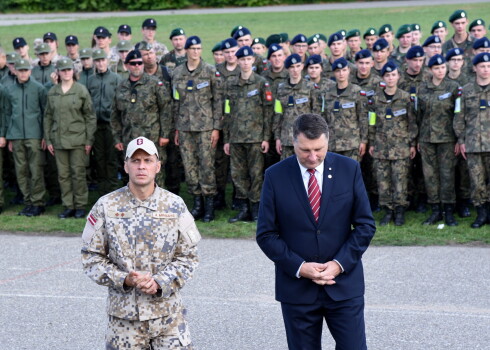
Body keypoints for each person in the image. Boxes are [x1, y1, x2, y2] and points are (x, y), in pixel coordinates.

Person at [256, 113, 375, 350]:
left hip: (343, 285)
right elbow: (266, 234)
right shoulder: (275, 176)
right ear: (294, 143)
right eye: (305, 150)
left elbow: (364, 226)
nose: (312, 157)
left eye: (319, 149)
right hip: (297, 290)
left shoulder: (348, 169)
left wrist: (339, 264)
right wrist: (300, 267)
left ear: (328, 141)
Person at [81, 136, 200, 349]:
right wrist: (124, 278)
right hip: (124, 321)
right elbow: (91, 258)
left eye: (147, 160)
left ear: (158, 166)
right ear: (126, 166)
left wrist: (160, 282)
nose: (141, 166)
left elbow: (188, 257)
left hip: (168, 317)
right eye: (135, 161)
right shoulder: (106, 206)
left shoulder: (175, 205)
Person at [171, 36, 222, 222]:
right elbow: (176, 102)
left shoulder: (209, 71)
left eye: (198, 48)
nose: (195, 51)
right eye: (192, 48)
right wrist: (176, 127)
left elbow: (218, 101)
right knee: (189, 166)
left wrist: (216, 127)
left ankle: (209, 206)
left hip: (205, 127)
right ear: (186, 50)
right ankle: (197, 204)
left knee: (207, 165)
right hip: (185, 128)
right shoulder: (177, 73)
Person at [222, 46, 272, 222]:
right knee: (238, 174)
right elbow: (227, 113)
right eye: (241, 60)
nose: (245, 62)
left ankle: (256, 208)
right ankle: (244, 208)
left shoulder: (260, 82)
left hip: (255, 137)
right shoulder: (231, 84)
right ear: (238, 61)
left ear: (253, 60)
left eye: (248, 59)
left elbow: (268, 112)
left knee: (256, 174)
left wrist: (266, 138)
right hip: (236, 137)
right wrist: (227, 139)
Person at [110, 49, 172, 188]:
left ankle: (156, 207)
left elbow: (166, 110)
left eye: (139, 63)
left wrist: (165, 135)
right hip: (129, 139)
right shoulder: (121, 87)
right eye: (133, 63)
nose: (137, 66)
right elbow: (115, 115)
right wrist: (117, 138)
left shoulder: (155, 84)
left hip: (153, 139)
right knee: (133, 174)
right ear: (126, 65)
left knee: (156, 174)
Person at [43, 58, 97, 219]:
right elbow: (47, 117)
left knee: (78, 173)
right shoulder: (53, 92)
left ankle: (80, 205)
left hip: (78, 140)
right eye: (63, 70)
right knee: (63, 175)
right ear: (58, 72)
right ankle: (68, 205)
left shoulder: (81, 90)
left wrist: (89, 140)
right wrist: (49, 139)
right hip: (59, 140)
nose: (66, 72)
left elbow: (90, 116)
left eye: (68, 69)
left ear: (73, 71)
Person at [369, 61, 418, 226]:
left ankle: (399, 211)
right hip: (381, 147)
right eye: (387, 75)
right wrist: (371, 143)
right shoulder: (375, 99)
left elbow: (412, 123)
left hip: (400, 147)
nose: (390, 78)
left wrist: (412, 143)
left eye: (393, 75)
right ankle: (387, 211)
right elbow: (372, 122)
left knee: (400, 180)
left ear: (398, 76)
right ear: (383, 78)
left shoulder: (405, 98)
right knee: (383, 181)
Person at [417, 54, 460, 226]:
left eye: (442, 67)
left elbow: (458, 114)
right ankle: (435, 210)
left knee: (447, 174)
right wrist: (417, 139)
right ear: (430, 70)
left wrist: (459, 138)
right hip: (426, 138)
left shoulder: (454, 87)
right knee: (430, 176)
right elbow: (417, 115)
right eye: (436, 68)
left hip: (447, 138)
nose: (440, 71)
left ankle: (448, 211)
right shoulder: (422, 88)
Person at [3, 58, 47, 217]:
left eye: (25, 70)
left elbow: (44, 114)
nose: (23, 73)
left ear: (30, 71)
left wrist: (44, 135)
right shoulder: (10, 90)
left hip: (34, 135)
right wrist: (9, 136)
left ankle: (38, 202)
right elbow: (8, 114)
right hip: (16, 136)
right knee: (21, 171)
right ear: (15, 71)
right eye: (20, 70)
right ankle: (28, 201)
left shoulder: (39, 89)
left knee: (35, 169)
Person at [453, 52, 490, 228]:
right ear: (475, 68)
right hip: (473, 144)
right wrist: (461, 140)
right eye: (482, 66)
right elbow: (459, 117)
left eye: (489, 66)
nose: (486, 69)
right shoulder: (465, 91)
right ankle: (481, 214)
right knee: (477, 181)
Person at [86, 49, 122, 196]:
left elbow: (120, 101)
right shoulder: (91, 80)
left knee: (112, 159)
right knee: (99, 159)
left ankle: (113, 190)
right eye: (97, 60)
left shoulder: (116, 79)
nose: (100, 63)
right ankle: (103, 192)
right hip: (96, 125)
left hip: (111, 125)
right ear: (94, 62)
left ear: (107, 61)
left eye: (102, 60)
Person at [273, 54, 315, 159]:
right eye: (292, 67)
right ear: (287, 69)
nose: (295, 70)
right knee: (288, 171)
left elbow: (316, 114)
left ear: (302, 66)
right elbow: (278, 114)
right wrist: (277, 138)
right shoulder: (281, 89)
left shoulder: (310, 87)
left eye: (297, 66)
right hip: (286, 139)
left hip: (306, 138)